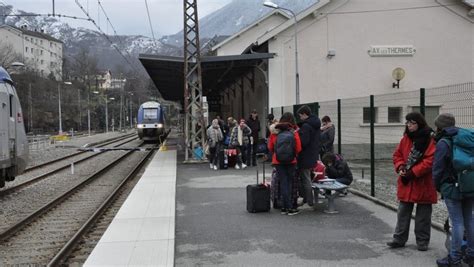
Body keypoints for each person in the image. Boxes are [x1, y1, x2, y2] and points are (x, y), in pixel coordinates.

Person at [387, 112, 437, 252]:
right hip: (407, 181)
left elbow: (430, 161)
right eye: (407, 122)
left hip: (423, 182)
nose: (409, 125)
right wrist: (401, 167)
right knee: (402, 212)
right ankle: (399, 239)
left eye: (412, 122)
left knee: (423, 215)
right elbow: (397, 155)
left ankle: (422, 241)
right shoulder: (405, 138)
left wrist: (412, 172)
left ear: (419, 123)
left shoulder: (430, 138)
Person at [432, 113, 474, 267]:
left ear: (439, 127)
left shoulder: (444, 142)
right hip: (470, 185)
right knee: (469, 220)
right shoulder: (466, 138)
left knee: (457, 222)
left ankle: (454, 258)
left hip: (452, 187)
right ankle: (471, 255)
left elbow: (437, 168)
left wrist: (437, 186)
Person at [268, 112, 302, 216]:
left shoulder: (274, 132)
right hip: (291, 161)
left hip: (278, 161)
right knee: (290, 183)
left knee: (283, 183)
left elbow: (270, 147)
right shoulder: (293, 132)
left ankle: (283, 207)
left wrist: (276, 153)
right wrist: (293, 154)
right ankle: (290, 208)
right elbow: (299, 148)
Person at [296, 105, 321, 208]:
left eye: (301, 116)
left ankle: (309, 202)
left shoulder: (306, 126)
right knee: (307, 177)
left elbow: (304, 142)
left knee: (306, 179)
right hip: (312, 155)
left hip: (305, 156)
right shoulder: (315, 124)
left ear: (305, 114)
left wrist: (298, 135)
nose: (300, 118)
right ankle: (308, 200)